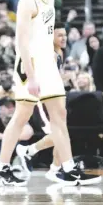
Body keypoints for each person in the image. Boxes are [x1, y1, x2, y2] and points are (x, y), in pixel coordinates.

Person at [0, 0, 101, 186]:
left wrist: (52, 53)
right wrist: (31, 76)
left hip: (47, 64)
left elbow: (44, 34)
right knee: (21, 116)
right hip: (29, 65)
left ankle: (66, 169)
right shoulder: (27, 2)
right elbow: (21, 42)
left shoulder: (50, 1)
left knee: (60, 115)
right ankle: (1, 168)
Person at [15, 22, 70, 181]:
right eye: (60, 35)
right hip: (44, 98)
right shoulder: (45, 52)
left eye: (65, 35)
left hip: (55, 96)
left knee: (61, 133)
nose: (63, 38)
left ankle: (55, 168)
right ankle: (29, 151)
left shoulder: (59, 51)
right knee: (60, 134)